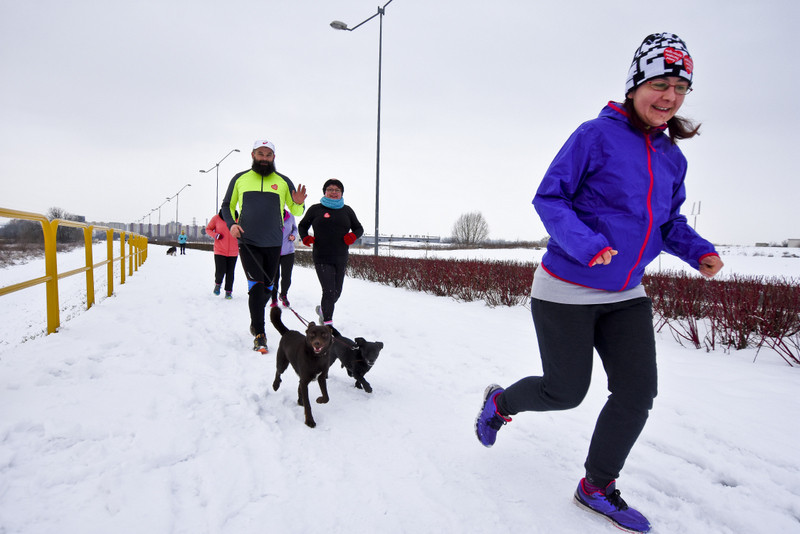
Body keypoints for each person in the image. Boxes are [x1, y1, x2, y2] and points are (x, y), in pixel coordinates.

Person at [474, 33, 723, 534]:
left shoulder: (673, 157)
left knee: (637, 392)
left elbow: (668, 223)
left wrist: (699, 251)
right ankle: (500, 403)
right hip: (566, 288)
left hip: (627, 294)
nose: (670, 97)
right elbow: (550, 198)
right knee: (565, 392)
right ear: (635, 85)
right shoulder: (594, 135)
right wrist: (587, 244)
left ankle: (596, 486)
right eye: (660, 83)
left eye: (680, 87)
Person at [220, 139, 307, 353]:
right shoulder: (240, 179)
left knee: (268, 287)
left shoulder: (283, 181)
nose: (264, 158)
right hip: (248, 241)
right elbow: (227, 206)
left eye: (268, 155)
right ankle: (260, 332)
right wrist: (232, 225)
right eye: (261, 154)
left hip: (273, 243)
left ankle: (255, 321)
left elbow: (296, 212)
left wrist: (298, 202)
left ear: (274, 157)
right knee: (256, 286)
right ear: (253, 155)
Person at [298, 179, 363, 327]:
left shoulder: (347, 210)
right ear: (325, 192)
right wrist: (305, 237)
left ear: (341, 193)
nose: (334, 192)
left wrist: (353, 236)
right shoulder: (316, 209)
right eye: (330, 189)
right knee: (328, 290)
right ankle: (327, 324)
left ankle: (323, 309)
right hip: (321, 256)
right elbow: (302, 225)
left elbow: (359, 228)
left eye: (337, 190)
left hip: (340, 256)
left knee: (336, 292)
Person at [205, 209, 239, 299]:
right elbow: (208, 229)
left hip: (233, 251)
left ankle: (228, 292)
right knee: (220, 270)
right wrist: (215, 235)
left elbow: (243, 231)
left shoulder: (238, 220)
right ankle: (218, 284)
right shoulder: (216, 218)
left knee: (230, 272)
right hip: (219, 250)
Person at [270, 209, 299, 308]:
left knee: (286, 277)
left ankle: (284, 295)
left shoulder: (290, 216)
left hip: (288, 251)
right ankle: (273, 298)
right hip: (273, 251)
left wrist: (293, 236)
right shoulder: (270, 215)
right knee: (274, 277)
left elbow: (295, 228)